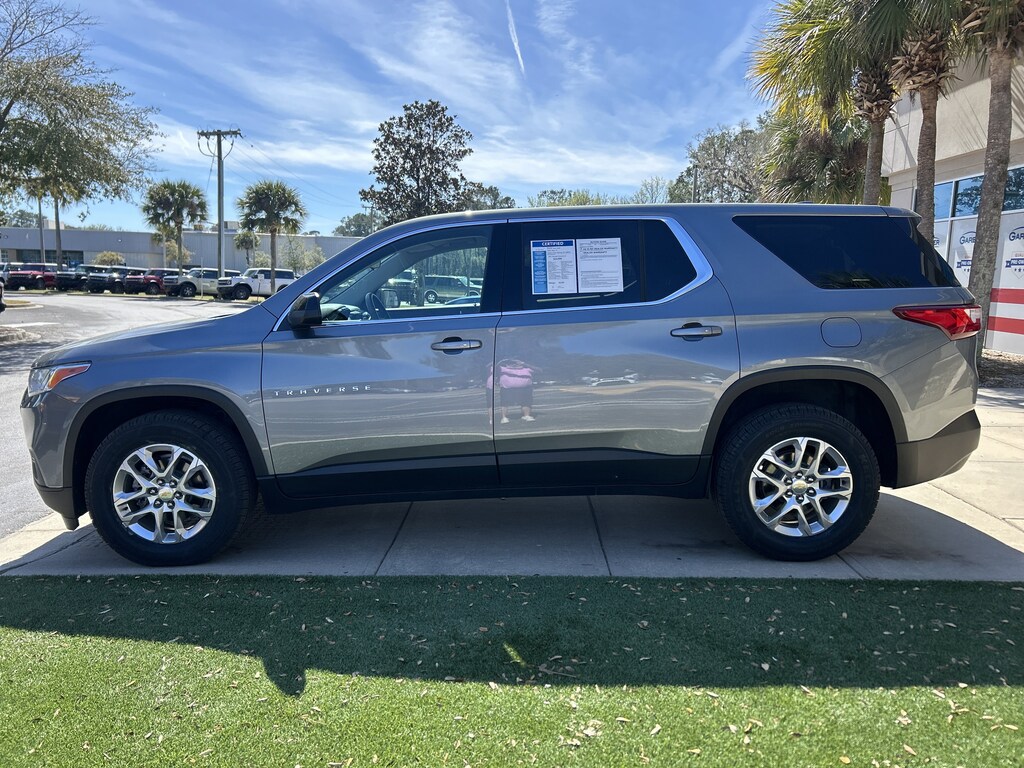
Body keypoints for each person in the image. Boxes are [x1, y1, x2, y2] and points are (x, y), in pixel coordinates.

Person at [498, 358, 536, 423]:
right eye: (513, 363)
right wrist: (504, 360)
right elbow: (495, 367)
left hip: (525, 388)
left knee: (526, 402)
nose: (515, 364)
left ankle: (526, 415)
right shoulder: (503, 369)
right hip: (507, 389)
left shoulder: (527, 369)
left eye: (516, 363)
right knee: (504, 403)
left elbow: (539, 370)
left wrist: (524, 364)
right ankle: (504, 417)